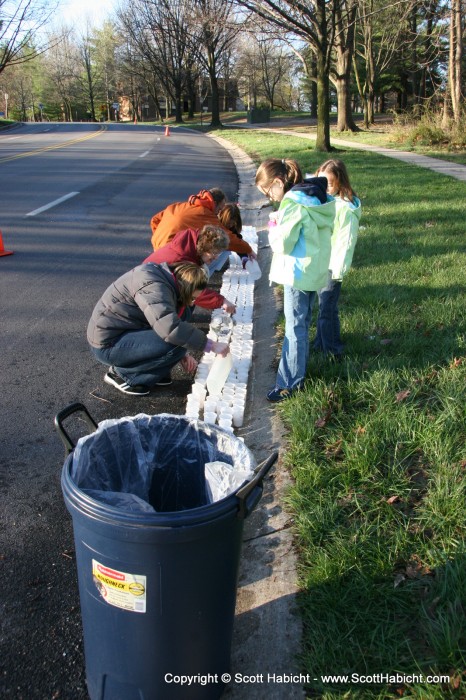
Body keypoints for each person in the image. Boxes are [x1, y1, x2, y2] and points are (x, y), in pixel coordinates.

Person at [255, 158, 335, 402]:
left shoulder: (292, 203)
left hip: (296, 273)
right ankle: (297, 371)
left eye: (268, 191)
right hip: (312, 271)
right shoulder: (314, 198)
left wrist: (273, 225)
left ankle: (289, 383)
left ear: (279, 182)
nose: (271, 197)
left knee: (295, 328)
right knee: (302, 321)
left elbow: (283, 243)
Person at [87, 261, 229, 396]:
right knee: (176, 345)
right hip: (108, 343)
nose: (192, 301)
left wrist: (183, 355)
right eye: (192, 297)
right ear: (185, 288)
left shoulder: (166, 279)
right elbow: (170, 328)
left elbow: (161, 321)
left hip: (126, 331)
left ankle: (153, 373)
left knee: (180, 340)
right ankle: (123, 375)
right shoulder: (153, 287)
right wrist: (210, 345)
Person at [313, 159, 361, 358]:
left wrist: (338, 269)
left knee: (326, 308)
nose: (325, 187)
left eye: (330, 183)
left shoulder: (346, 209)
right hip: (322, 261)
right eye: (322, 182)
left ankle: (333, 350)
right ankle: (320, 343)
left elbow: (346, 241)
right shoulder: (329, 200)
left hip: (332, 266)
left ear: (340, 181)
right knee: (325, 307)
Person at [144, 224, 236, 313]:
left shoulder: (188, 247)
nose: (216, 258)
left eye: (218, 254)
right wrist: (221, 301)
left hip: (153, 283)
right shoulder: (181, 259)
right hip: (147, 291)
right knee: (185, 310)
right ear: (204, 247)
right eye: (214, 253)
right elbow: (191, 289)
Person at [150, 188, 227, 250]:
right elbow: (227, 237)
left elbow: (155, 219)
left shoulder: (179, 206)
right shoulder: (207, 214)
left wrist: (160, 238)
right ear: (215, 203)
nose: (218, 213)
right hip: (173, 251)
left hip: (157, 246)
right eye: (219, 209)